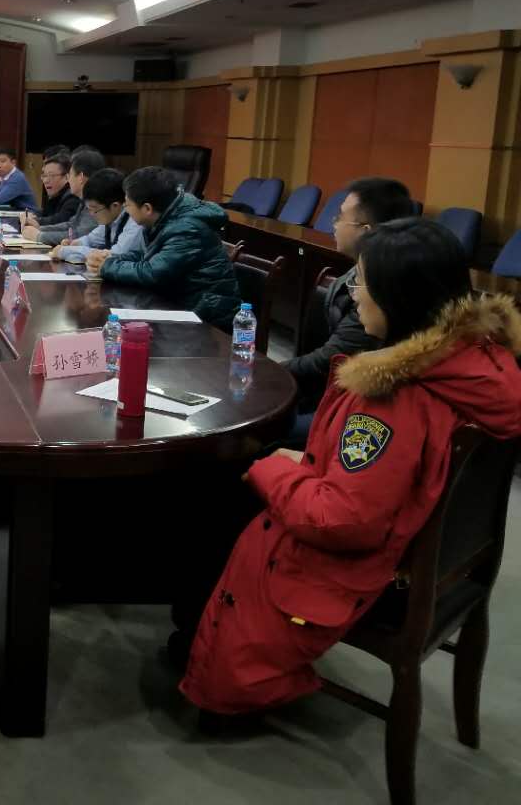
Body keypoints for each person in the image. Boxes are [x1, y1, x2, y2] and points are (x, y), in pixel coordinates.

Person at [180, 219, 521, 716]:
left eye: (362, 282)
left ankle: (202, 648)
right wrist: (305, 465)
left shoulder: (394, 396)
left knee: (213, 496)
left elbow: (341, 519)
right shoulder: (477, 362)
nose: (354, 296)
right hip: (432, 552)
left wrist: (276, 470)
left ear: (398, 297)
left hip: (372, 573)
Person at [284, 178, 415, 412]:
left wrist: (269, 372)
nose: (333, 223)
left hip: (354, 405)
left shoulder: (382, 292)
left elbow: (329, 360)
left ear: (366, 232)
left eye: (340, 217)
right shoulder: (360, 274)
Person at [87, 166, 241, 328]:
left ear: (147, 208)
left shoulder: (186, 228)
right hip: (182, 305)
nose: (125, 208)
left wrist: (107, 266)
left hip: (207, 316)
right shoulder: (164, 217)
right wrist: (111, 258)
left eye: (128, 204)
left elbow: (153, 273)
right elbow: (146, 256)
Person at [51, 167, 145, 264]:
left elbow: (114, 255)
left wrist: (65, 251)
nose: (91, 214)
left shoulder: (135, 222)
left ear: (115, 206)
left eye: (94, 209)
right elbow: (91, 239)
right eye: (89, 209)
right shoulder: (111, 218)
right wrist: (75, 243)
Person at [27, 148, 105, 244]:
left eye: (70, 175)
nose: (68, 180)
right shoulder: (84, 200)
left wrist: (40, 236)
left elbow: (80, 234)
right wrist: (39, 228)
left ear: (80, 177)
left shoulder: (96, 201)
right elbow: (71, 225)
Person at [21, 151, 81, 234]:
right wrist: (31, 215)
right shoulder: (56, 195)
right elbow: (45, 212)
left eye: (52, 175)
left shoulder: (73, 197)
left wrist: (35, 220)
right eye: (44, 176)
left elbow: (60, 220)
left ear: (66, 177)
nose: (46, 181)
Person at [0, 146, 38, 211]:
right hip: (15, 213)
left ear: (13, 163)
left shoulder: (17, 178)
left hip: (28, 214)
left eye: (2, 161)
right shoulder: (5, 176)